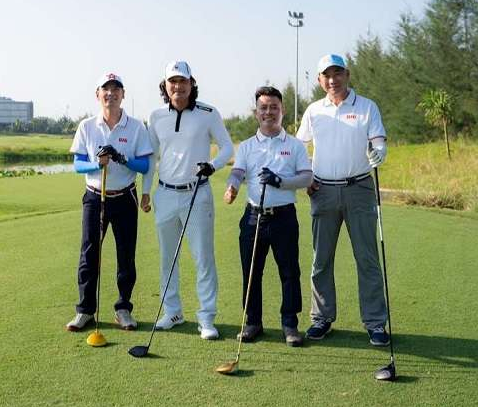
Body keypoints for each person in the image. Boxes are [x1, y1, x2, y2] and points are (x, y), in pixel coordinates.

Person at [296, 54, 390, 346]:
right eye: (327, 75)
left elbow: (378, 142)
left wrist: (379, 153)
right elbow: (299, 146)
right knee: (321, 259)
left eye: (337, 73)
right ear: (319, 80)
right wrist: (306, 176)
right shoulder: (314, 110)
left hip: (359, 188)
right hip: (322, 190)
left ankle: (375, 322)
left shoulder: (366, 107)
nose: (332, 80)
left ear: (347, 75)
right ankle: (321, 318)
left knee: (367, 259)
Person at [141, 61, 233, 340]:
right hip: (165, 193)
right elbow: (151, 157)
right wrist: (145, 191)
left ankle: (206, 318)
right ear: (165, 85)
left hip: (197, 193)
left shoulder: (208, 113)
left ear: (191, 84)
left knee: (203, 258)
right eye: (173, 81)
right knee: (167, 258)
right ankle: (173, 312)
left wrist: (212, 165)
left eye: (183, 81)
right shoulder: (156, 116)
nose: (178, 86)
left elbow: (227, 147)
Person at [224, 86, 312, 346]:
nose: (269, 112)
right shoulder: (247, 146)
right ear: (256, 113)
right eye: (263, 108)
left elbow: (306, 177)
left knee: (289, 271)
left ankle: (290, 324)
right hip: (254, 217)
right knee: (251, 271)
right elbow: (238, 172)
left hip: (284, 217)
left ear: (282, 111)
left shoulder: (294, 145)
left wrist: (280, 181)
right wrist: (232, 187)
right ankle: (253, 322)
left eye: (274, 107)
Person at [65, 72, 153, 332]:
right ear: (98, 94)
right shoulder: (87, 126)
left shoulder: (136, 127)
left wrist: (121, 158)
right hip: (95, 197)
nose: (110, 94)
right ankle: (85, 311)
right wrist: (97, 163)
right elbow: (78, 164)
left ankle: (123, 309)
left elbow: (145, 165)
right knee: (89, 254)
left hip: (125, 196)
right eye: (106, 89)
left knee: (126, 255)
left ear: (123, 95)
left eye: (116, 89)